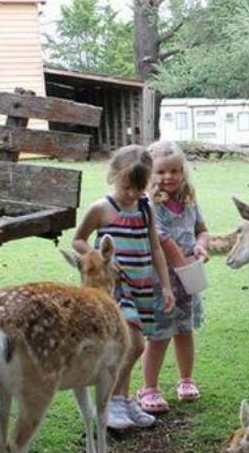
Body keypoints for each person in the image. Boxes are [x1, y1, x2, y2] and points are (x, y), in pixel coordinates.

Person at [72, 145, 175, 429]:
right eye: (127, 186)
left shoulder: (145, 207)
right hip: (116, 289)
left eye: (139, 188)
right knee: (134, 345)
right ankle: (111, 404)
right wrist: (101, 259)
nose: (132, 194)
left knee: (128, 345)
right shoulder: (101, 209)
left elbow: (154, 247)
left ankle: (124, 401)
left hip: (143, 285)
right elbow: (78, 240)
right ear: (114, 175)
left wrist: (165, 286)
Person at [138, 141, 209, 413]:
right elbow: (165, 242)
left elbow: (202, 230)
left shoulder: (189, 201)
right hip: (163, 282)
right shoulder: (151, 205)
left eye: (175, 171)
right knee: (158, 334)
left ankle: (186, 379)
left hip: (188, 277)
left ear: (183, 171)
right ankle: (149, 388)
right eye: (161, 172)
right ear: (150, 174)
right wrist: (190, 271)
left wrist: (202, 245)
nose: (169, 177)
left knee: (184, 329)